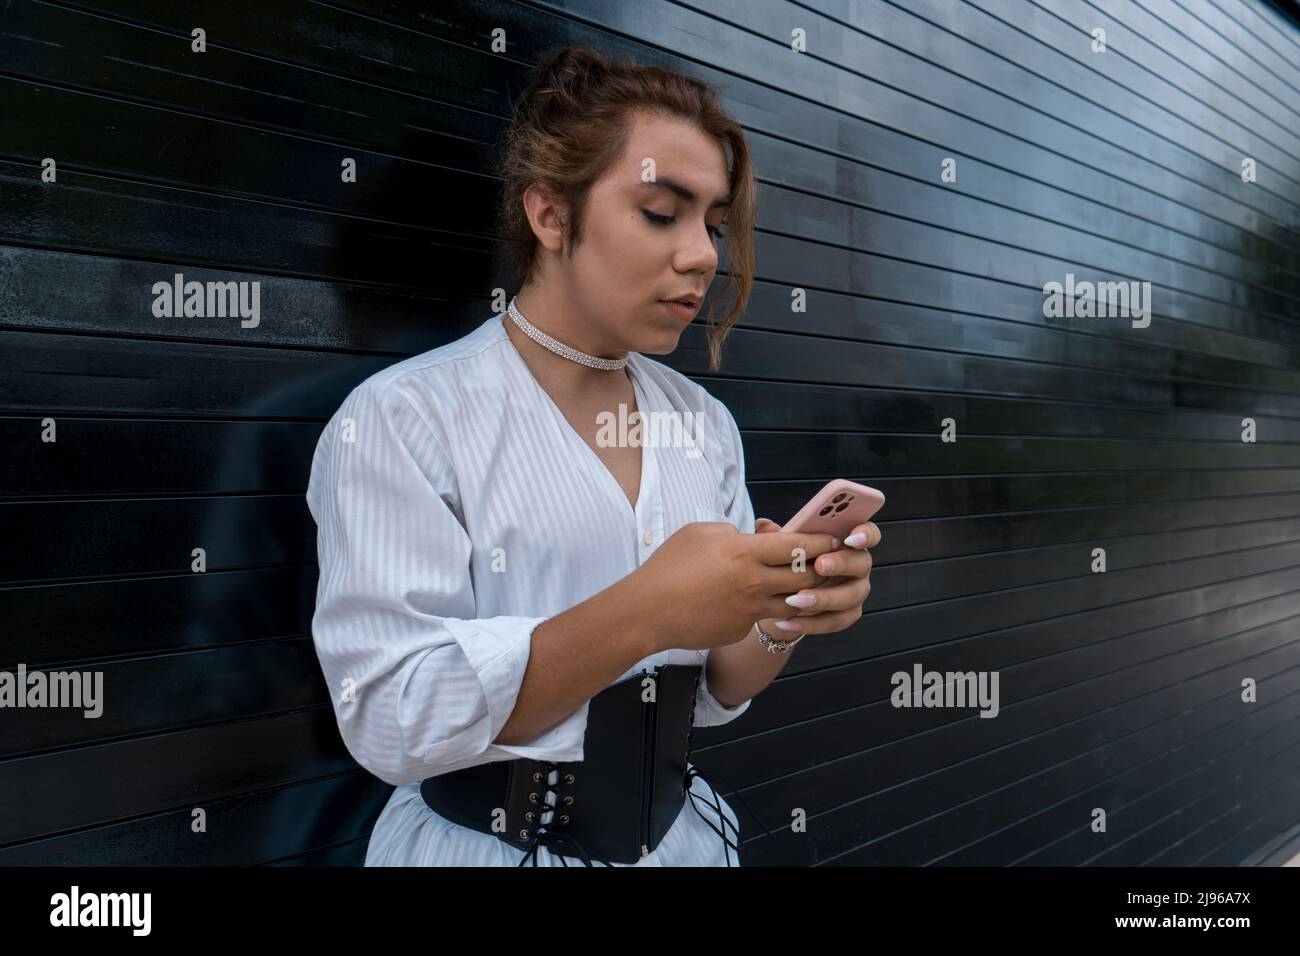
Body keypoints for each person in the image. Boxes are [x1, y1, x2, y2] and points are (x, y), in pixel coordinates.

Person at [305, 46, 880, 867]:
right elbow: (392, 714)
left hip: (679, 844)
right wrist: (646, 608)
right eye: (660, 212)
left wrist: (786, 614)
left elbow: (717, 690)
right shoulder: (407, 417)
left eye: (713, 223)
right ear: (550, 215)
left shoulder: (702, 423)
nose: (704, 255)